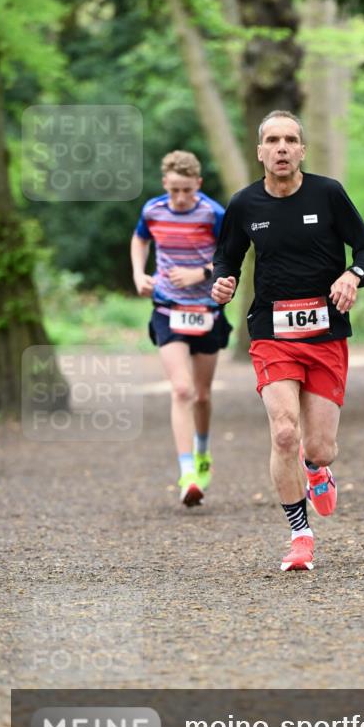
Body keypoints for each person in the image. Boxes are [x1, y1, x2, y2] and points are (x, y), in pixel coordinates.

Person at [211, 110, 364, 572]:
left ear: (302, 149)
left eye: (290, 140)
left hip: (325, 333)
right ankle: (300, 535)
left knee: (318, 447)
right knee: (284, 431)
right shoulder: (244, 205)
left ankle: (317, 469)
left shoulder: (328, 194)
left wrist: (353, 275)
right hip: (272, 333)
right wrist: (222, 281)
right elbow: (225, 259)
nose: (281, 148)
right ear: (260, 151)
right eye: (272, 140)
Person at [130, 150, 231, 506]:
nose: (180, 198)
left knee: (202, 395)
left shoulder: (213, 213)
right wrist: (139, 274)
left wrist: (201, 274)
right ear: (164, 185)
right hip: (167, 307)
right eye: (174, 190)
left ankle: (203, 453)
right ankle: (187, 472)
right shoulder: (153, 210)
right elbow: (139, 239)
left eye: (187, 190)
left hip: (206, 309)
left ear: (198, 185)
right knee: (182, 390)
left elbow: (230, 252)